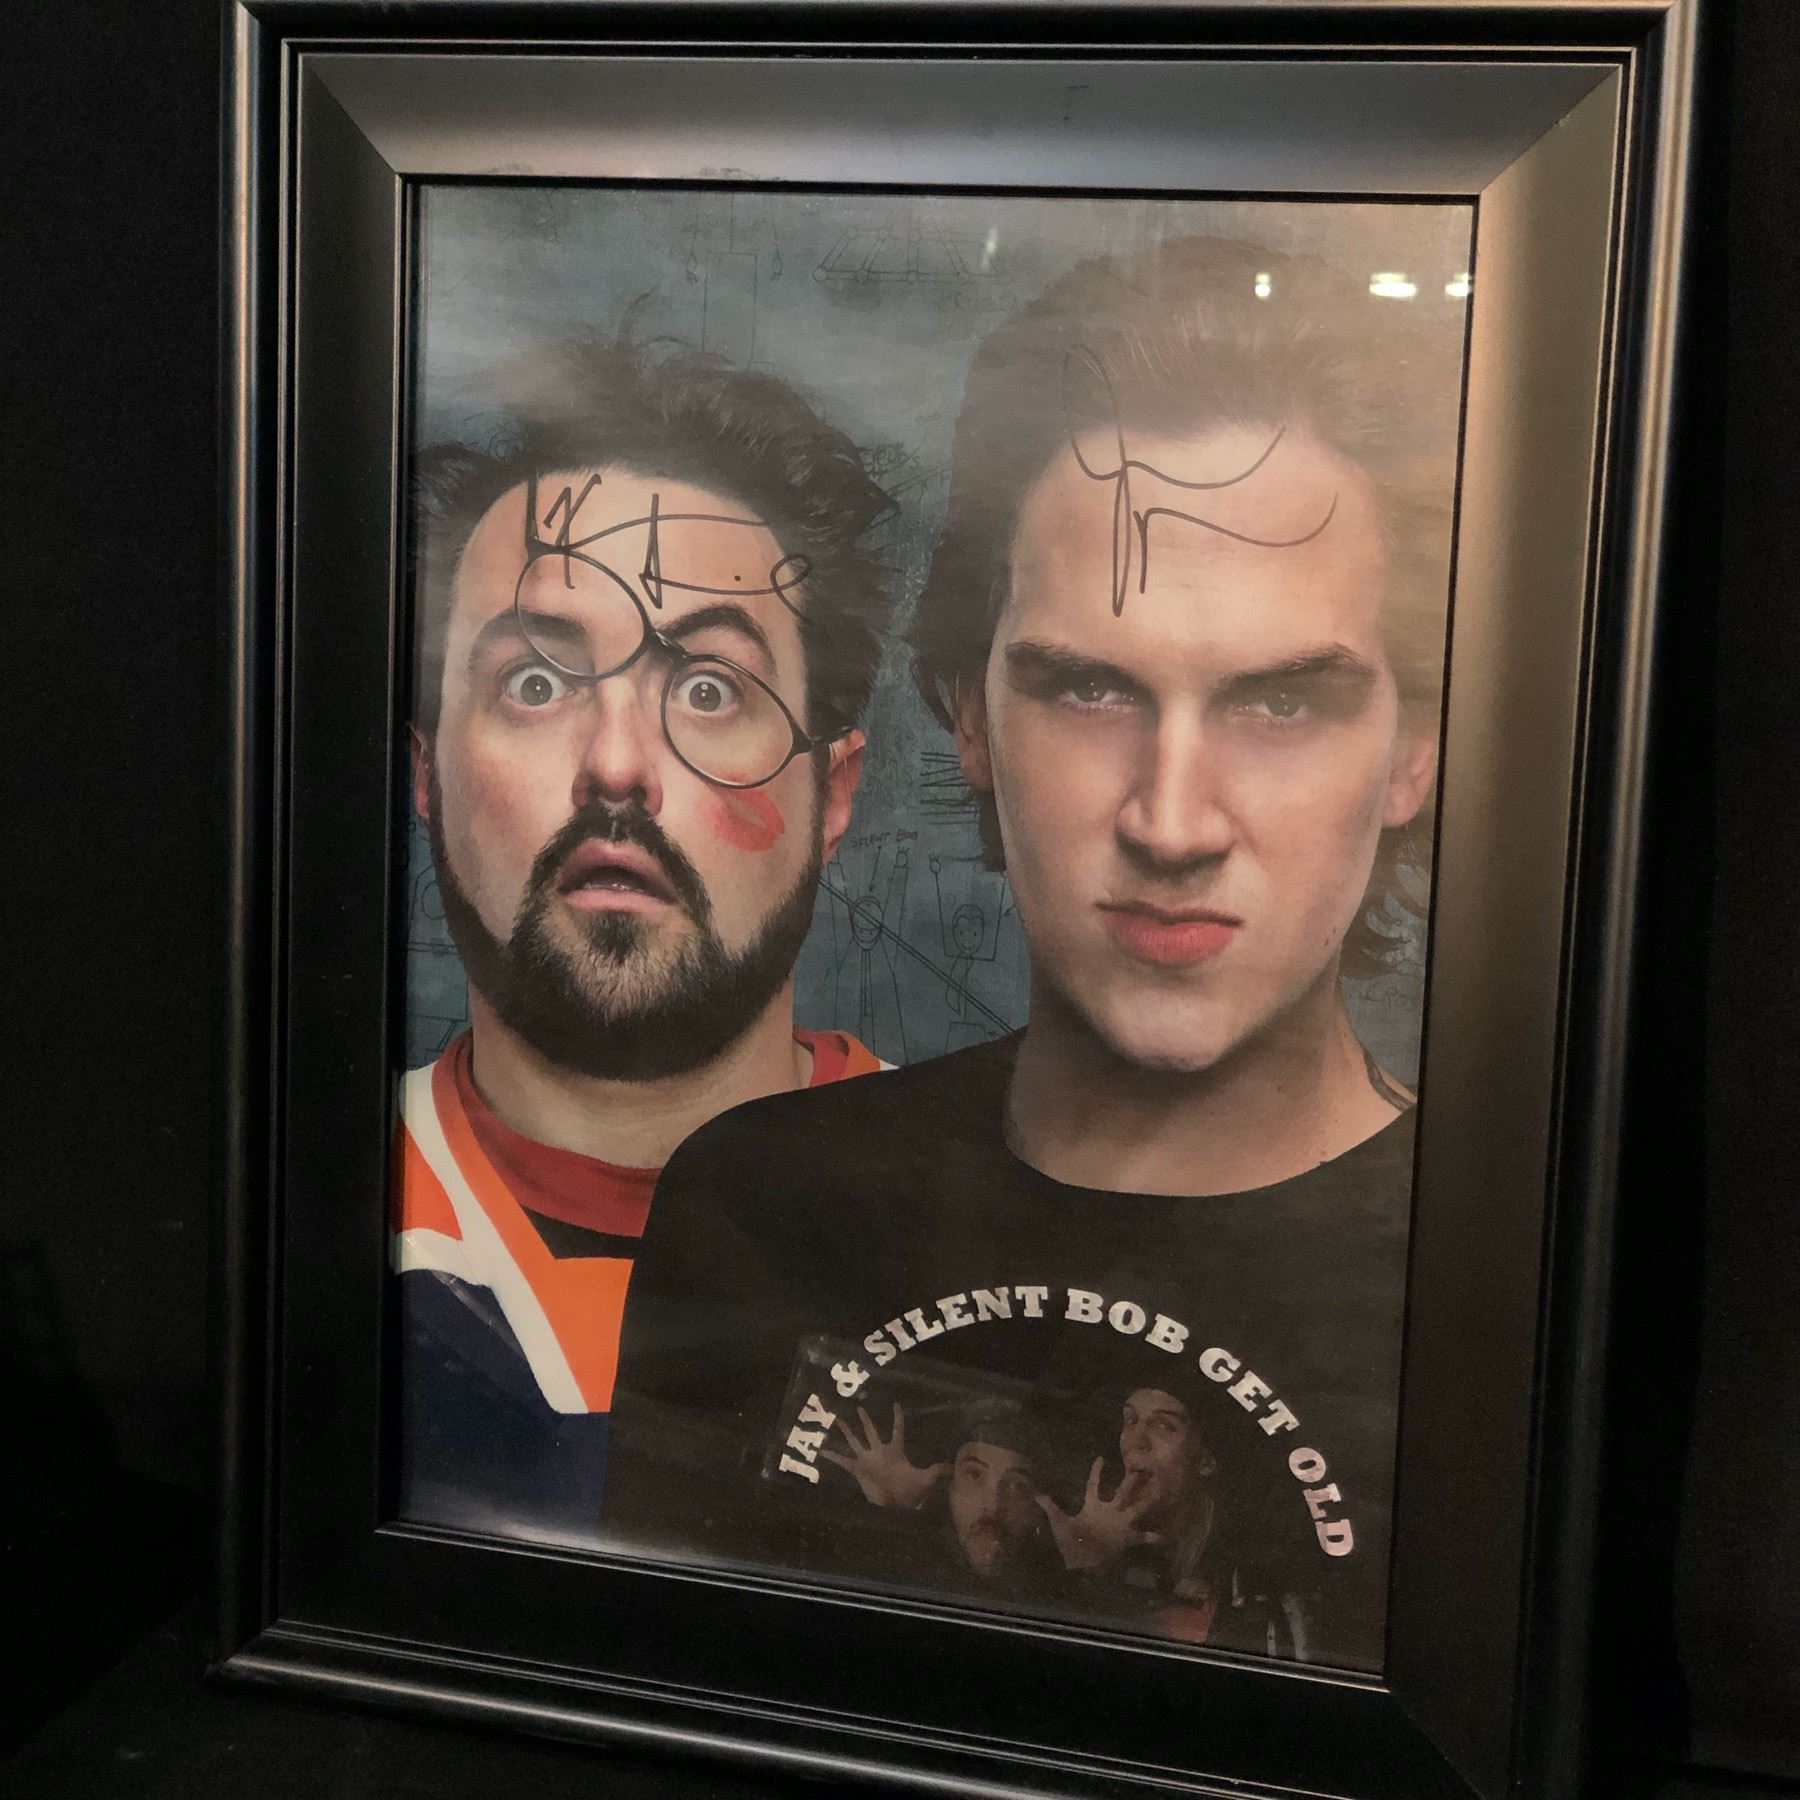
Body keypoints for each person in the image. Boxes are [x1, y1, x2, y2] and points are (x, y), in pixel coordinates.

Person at [604, 235, 1457, 1669]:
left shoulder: (1512, 1273)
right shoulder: (760, 1204)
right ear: (971, 719)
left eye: (1280, 705)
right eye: (1089, 690)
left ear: (1414, 750)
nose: (1172, 820)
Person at [393, 333, 897, 1543]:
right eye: (535, 684)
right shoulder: (279, 1215)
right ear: (427, 776)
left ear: (832, 796)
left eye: (710, 689)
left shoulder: (991, 1224)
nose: (617, 766)